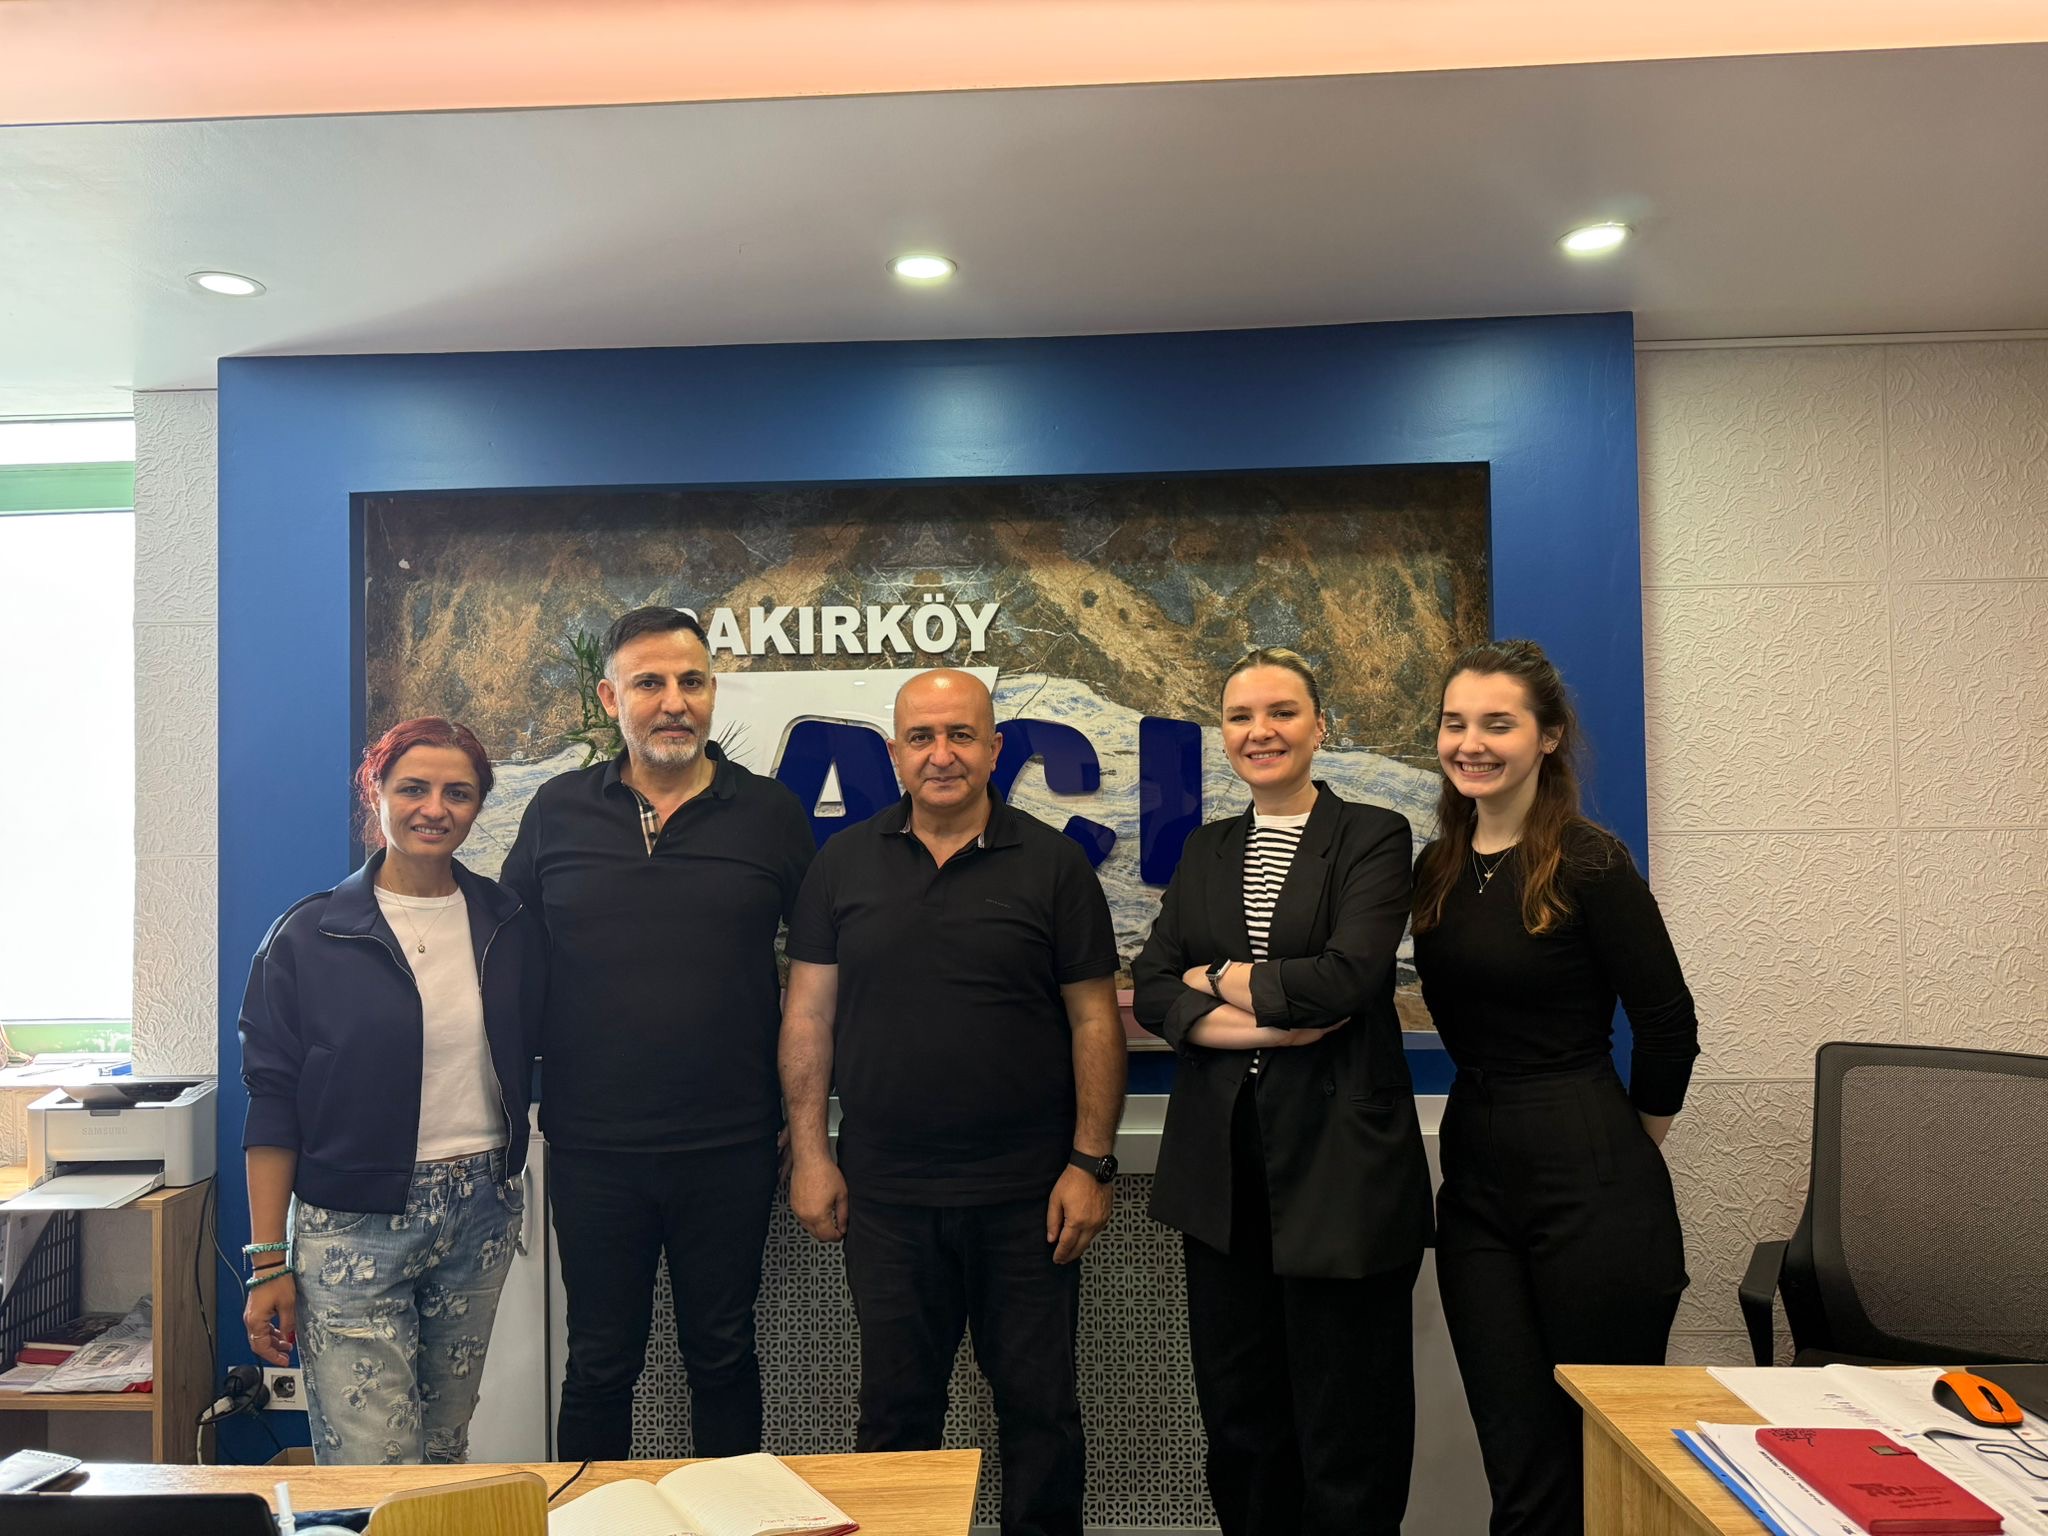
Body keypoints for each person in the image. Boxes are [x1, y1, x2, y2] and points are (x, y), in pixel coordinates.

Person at [779, 668, 1125, 1536]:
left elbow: (1095, 1020)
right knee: (895, 1418)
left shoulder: (1054, 864)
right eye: (923, 737)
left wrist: (1091, 1163)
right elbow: (807, 1015)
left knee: (1041, 1417)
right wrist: (812, 1154)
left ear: (995, 748)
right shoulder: (841, 863)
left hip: (1029, 1197)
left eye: (962, 735)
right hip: (887, 1197)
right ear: (895, 753)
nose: (943, 754)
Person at [499, 606, 815, 1462]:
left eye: (691, 682)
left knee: (723, 1355)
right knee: (600, 1364)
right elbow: (505, 960)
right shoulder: (557, 811)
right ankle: (595, 1521)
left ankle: (734, 1521)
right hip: (593, 1148)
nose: (674, 702)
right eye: (649, 683)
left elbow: (822, 970)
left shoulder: (772, 814)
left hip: (732, 1144)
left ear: (712, 693)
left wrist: (812, 1125)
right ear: (612, 699)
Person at [1130, 648, 1432, 1536]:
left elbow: (1345, 981)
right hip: (1223, 1174)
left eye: (1282, 712)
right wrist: (1269, 1024)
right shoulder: (1207, 848)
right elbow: (1153, 988)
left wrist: (1218, 975)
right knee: (1242, 1422)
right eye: (1240, 716)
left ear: (1319, 727)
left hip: (1342, 1171)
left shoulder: (1373, 834)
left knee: (1350, 1427)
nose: (1260, 731)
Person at [1410, 639, 1699, 1536]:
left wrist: (1626, 1146)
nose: (1471, 743)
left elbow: (1669, 1026)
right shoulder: (1437, 869)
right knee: (1522, 1467)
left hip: (1592, 1177)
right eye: (1456, 723)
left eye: (1498, 724)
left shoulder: (1589, 861)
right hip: (1476, 1188)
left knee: (1606, 1465)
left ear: (1548, 736)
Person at [239, 717, 542, 1464]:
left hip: (481, 1209)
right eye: (413, 788)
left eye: (457, 793)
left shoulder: (508, 924)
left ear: (478, 805)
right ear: (374, 792)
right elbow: (272, 1101)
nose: (434, 808)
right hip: (352, 1224)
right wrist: (268, 1262)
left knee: (442, 1447)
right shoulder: (310, 935)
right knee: (370, 1461)